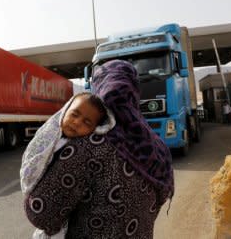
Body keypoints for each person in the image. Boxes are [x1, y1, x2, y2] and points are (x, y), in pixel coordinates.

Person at [23, 60, 174, 238]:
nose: (79, 122)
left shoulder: (90, 144)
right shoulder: (156, 146)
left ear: (99, 90)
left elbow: (42, 215)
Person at [20, 92, 116, 238]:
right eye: (74, 114)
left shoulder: (82, 149)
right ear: (65, 111)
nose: (77, 122)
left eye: (87, 122)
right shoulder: (48, 135)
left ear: (95, 129)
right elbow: (32, 158)